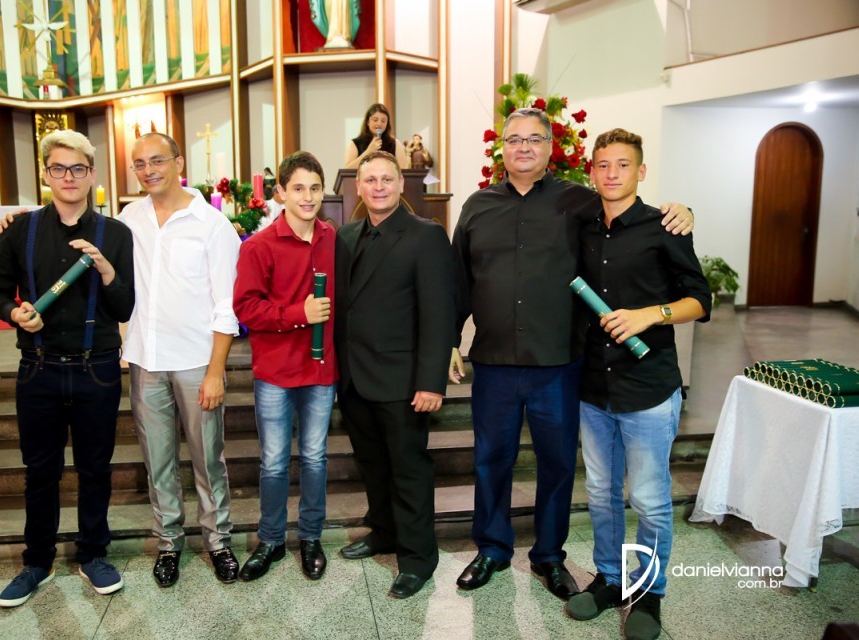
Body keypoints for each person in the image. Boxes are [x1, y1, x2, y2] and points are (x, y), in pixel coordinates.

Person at [450, 108, 694, 598]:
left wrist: (683, 211)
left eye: (534, 139)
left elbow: (629, 218)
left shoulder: (581, 201)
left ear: (549, 147)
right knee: (490, 459)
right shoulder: (477, 205)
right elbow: (458, 280)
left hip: (559, 363)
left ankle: (548, 555)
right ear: (501, 148)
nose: (523, 147)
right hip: (494, 361)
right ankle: (492, 548)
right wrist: (450, 340)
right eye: (514, 139)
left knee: (558, 465)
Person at [564, 129, 710, 640]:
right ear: (592, 172)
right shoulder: (582, 226)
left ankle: (648, 592)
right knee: (601, 493)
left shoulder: (665, 225)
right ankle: (609, 579)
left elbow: (700, 300)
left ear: (641, 171)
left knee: (648, 499)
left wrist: (651, 314)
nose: (612, 174)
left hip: (647, 386)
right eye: (603, 165)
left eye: (623, 165)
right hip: (593, 386)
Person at [0, 130, 135, 607]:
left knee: (95, 468)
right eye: (58, 168)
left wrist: (108, 272)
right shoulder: (19, 230)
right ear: (46, 175)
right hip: (39, 368)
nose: (68, 177)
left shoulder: (116, 234)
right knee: (40, 471)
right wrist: (14, 313)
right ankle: (38, 562)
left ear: (92, 174)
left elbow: (125, 305)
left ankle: (93, 555)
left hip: (97, 368)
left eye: (78, 168)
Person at [118, 132, 242, 588]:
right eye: (139, 163)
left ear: (178, 162)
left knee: (208, 459)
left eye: (157, 160)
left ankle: (218, 541)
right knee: (158, 460)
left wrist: (216, 371)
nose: (148, 170)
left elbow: (226, 304)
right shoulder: (128, 219)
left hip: (196, 362)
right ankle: (169, 542)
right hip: (146, 360)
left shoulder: (212, 224)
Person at [335, 150, 456, 598]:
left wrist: (430, 381)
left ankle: (418, 557)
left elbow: (438, 312)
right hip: (355, 377)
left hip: (403, 379)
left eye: (387, 179)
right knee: (372, 465)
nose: (379, 187)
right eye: (371, 180)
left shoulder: (426, 235)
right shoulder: (346, 235)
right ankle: (383, 532)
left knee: (408, 470)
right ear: (359, 187)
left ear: (401, 184)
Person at [233, 151, 338, 582]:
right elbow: (246, 309)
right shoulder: (259, 246)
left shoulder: (333, 239)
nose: (307, 197)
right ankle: (271, 540)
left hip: (321, 371)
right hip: (276, 371)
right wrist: (300, 314)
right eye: (298, 188)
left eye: (314, 188)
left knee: (315, 458)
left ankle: (311, 536)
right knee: (274, 462)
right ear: (280, 192)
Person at [343, 103, 409, 170]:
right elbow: (348, 169)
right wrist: (368, 151)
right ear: (367, 122)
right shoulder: (355, 143)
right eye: (375, 120)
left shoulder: (395, 144)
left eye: (383, 121)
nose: (379, 124)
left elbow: (403, 170)